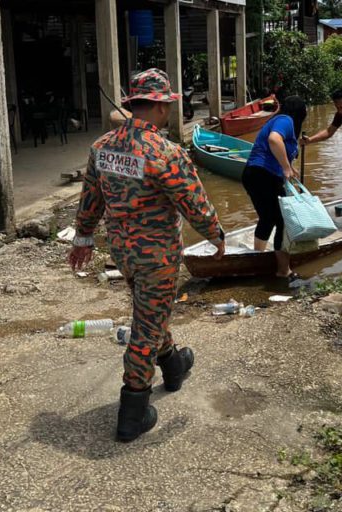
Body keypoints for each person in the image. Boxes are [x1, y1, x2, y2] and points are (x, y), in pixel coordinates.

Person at [67, 69, 225, 443]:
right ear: (157, 106)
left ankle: (174, 365)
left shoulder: (101, 147)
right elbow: (195, 204)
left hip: (123, 253)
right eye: (168, 105)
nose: (170, 111)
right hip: (157, 256)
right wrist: (217, 236)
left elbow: (91, 199)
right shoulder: (165, 152)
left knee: (150, 312)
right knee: (144, 331)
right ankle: (132, 412)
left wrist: (83, 238)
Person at [241, 95, 307, 280]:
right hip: (264, 175)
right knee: (283, 221)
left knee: (267, 218)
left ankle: (258, 258)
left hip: (253, 174)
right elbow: (273, 140)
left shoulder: (280, 122)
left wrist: (290, 167)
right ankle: (283, 271)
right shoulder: (285, 120)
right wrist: (286, 167)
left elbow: (278, 148)